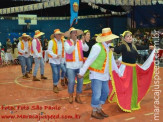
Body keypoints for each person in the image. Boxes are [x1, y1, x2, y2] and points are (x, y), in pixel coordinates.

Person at [108, 30, 155, 112]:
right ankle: (125, 102)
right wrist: (109, 47)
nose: (129, 38)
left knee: (133, 87)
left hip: (133, 69)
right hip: (126, 69)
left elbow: (142, 47)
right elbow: (117, 50)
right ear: (124, 39)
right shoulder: (123, 46)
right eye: (127, 36)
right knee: (126, 86)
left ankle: (131, 102)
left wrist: (150, 47)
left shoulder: (134, 46)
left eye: (130, 36)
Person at [78, 28, 119, 119]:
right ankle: (94, 111)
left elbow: (111, 61)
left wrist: (117, 72)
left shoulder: (108, 48)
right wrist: (82, 72)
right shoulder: (97, 47)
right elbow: (89, 60)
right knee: (97, 94)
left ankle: (99, 108)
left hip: (104, 75)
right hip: (96, 74)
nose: (111, 39)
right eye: (110, 37)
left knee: (105, 92)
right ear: (106, 38)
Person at [64, 27, 89, 104]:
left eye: (76, 32)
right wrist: (74, 43)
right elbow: (68, 51)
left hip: (79, 66)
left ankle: (77, 96)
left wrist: (84, 42)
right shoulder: (66, 42)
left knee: (80, 82)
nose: (75, 34)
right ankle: (70, 95)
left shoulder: (80, 42)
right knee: (71, 82)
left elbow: (86, 49)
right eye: (73, 32)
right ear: (70, 34)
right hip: (70, 66)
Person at [48, 29, 65, 93]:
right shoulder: (51, 42)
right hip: (53, 60)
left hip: (59, 61)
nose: (60, 35)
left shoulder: (62, 41)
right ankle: (55, 86)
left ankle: (56, 85)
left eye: (60, 34)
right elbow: (49, 51)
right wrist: (55, 55)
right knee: (55, 73)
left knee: (58, 74)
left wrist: (62, 59)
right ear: (55, 35)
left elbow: (63, 51)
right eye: (58, 34)